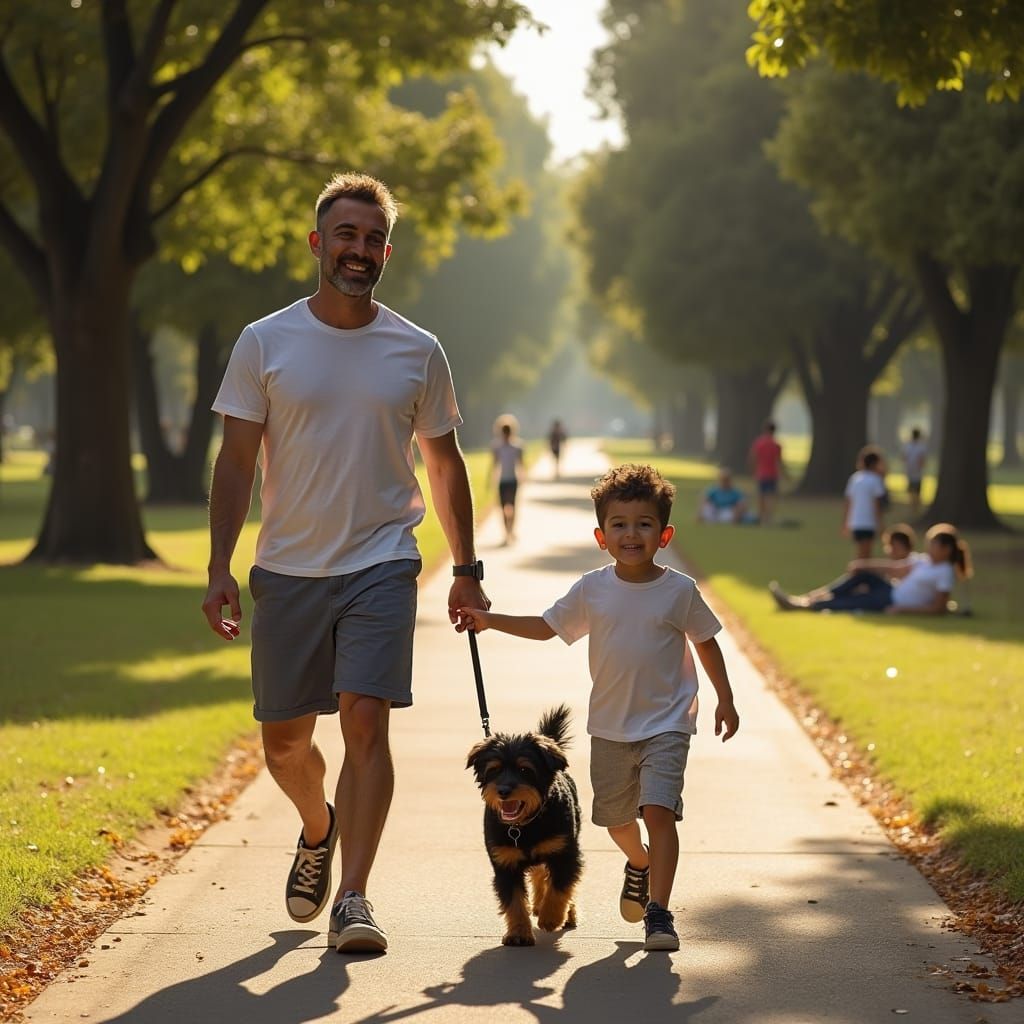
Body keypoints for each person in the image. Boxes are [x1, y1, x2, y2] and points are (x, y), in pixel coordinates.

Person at [201, 172, 489, 955]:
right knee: (285, 746)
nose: (358, 250)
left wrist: (464, 568)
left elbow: (446, 464)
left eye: (371, 239)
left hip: (383, 560)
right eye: (345, 235)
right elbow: (235, 464)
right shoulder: (266, 341)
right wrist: (219, 564)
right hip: (289, 568)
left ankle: (354, 898)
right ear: (317, 243)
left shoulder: (417, 350)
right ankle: (317, 825)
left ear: (385, 251)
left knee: (366, 718)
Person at [457, 464, 740, 952]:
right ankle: (640, 863)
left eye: (644, 524)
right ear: (601, 535)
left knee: (659, 811)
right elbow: (547, 626)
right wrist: (489, 620)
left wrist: (726, 699)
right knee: (613, 819)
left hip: (669, 723)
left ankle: (659, 912)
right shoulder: (593, 588)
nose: (632, 533)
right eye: (620, 524)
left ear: (664, 534)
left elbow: (708, 642)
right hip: (611, 725)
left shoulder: (679, 591)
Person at [769, 522, 970, 614]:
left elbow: (938, 608)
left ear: (946, 549)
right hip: (890, 589)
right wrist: (863, 565)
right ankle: (812, 596)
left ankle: (802, 605)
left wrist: (902, 609)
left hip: (891, 600)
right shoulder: (924, 561)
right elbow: (894, 569)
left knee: (850, 602)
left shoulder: (944, 573)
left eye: (933, 544)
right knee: (861, 576)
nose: (928, 547)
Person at [844, 446, 887, 560]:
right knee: (866, 555)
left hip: (856, 522)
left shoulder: (855, 478)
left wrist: (846, 522)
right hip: (868, 522)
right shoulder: (875, 480)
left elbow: (849, 502)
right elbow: (876, 504)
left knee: (860, 552)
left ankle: (858, 574)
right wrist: (880, 523)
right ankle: (858, 575)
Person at [491, 415, 524, 544]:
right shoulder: (496, 447)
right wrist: (492, 480)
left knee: (513, 506)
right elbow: (495, 464)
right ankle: (506, 532)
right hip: (502, 481)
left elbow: (521, 464)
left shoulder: (517, 446)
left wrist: (523, 477)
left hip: (512, 480)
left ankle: (511, 531)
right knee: (504, 507)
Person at [747, 420, 785, 525]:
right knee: (771, 497)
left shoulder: (759, 443)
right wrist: (783, 475)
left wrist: (753, 471)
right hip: (773, 474)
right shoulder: (777, 445)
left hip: (761, 474)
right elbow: (779, 462)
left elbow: (752, 458)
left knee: (761, 496)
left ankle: (761, 517)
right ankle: (768, 518)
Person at [902, 427, 928, 516]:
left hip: (910, 471)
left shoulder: (907, 446)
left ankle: (913, 508)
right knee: (916, 491)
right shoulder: (921, 446)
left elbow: (904, 457)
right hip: (917, 472)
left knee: (912, 491)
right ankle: (915, 508)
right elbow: (922, 460)